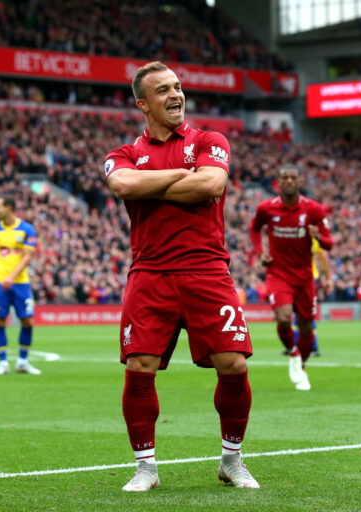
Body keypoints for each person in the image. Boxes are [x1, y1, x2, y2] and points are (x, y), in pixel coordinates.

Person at [104, 61, 258, 491]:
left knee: (233, 364)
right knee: (140, 366)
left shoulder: (211, 140)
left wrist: (150, 181)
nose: (176, 95)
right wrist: (177, 175)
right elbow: (124, 188)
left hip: (208, 269)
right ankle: (146, 468)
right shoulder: (123, 155)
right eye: (163, 90)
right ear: (143, 104)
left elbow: (210, 185)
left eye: (177, 87)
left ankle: (232, 459)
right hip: (150, 272)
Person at [250, 165, 333, 391]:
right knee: (284, 318)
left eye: (292, 177)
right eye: (284, 177)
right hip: (278, 273)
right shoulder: (267, 209)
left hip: (305, 277)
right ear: (278, 182)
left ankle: (302, 366)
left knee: (306, 327)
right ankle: (294, 353)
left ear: (299, 181)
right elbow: (254, 229)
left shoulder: (314, 210)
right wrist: (260, 252)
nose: (288, 181)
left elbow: (329, 243)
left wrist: (318, 236)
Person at [0, 196, 40, 376]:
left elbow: (27, 257)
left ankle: (23, 361)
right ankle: (3, 362)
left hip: (20, 283)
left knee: (27, 320)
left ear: (9, 208)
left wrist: (12, 277)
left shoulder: (27, 229)